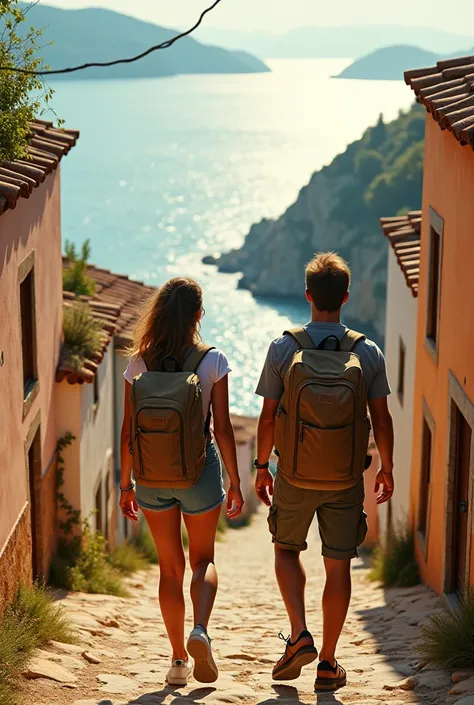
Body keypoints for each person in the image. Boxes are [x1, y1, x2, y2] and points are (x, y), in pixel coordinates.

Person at [254, 252, 394, 693]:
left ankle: (299, 635)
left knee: (285, 550)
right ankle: (329, 663)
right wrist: (386, 466)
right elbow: (382, 417)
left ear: (308, 296)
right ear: (346, 297)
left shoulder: (283, 348)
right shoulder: (367, 352)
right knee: (338, 567)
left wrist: (262, 466)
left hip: (293, 475)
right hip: (346, 478)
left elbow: (266, 416)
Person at [119, 277, 244, 687]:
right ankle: (200, 630)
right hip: (199, 473)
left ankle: (176, 661)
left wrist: (125, 485)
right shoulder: (212, 361)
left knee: (168, 572)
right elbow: (222, 429)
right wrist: (237, 481)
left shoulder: (139, 362)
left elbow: (126, 432)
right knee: (203, 560)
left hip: (151, 477)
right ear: (198, 315)